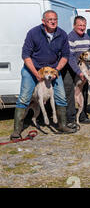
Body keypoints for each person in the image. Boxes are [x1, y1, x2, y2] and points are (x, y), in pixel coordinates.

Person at [10, 10, 76, 140]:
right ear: (43, 21)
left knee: (61, 96)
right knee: (24, 98)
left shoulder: (62, 34)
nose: (53, 21)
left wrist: (56, 70)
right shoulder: (33, 33)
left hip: (52, 70)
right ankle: (17, 131)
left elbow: (65, 56)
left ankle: (62, 125)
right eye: (50, 19)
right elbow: (25, 55)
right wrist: (36, 74)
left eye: (55, 19)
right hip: (32, 69)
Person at [63, 16, 90, 127]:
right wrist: (79, 72)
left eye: (84, 26)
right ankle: (70, 119)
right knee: (70, 92)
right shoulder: (70, 37)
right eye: (80, 25)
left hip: (82, 66)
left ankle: (82, 116)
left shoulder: (87, 36)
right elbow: (70, 57)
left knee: (84, 91)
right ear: (74, 26)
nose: (82, 28)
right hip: (70, 68)